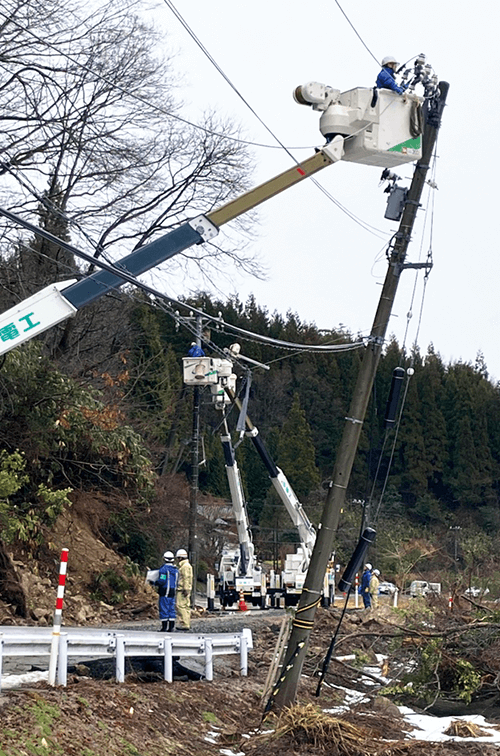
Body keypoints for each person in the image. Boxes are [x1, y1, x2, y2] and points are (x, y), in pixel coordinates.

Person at [154, 551, 178, 632]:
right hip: (173, 591)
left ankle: (164, 627)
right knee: (171, 608)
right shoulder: (175, 570)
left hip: (164, 591)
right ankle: (171, 627)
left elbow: (162, 580)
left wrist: (154, 582)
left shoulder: (164, 569)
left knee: (164, 608)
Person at [175, 548, 193, 631]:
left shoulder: (184, 567)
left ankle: (184, 623)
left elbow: (186, 578)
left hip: (182, 589)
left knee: (181, 606)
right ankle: (186, 623)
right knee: (186, 606)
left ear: (180, 558)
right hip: (186, 588)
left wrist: (185, 588)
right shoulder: (188, 565)